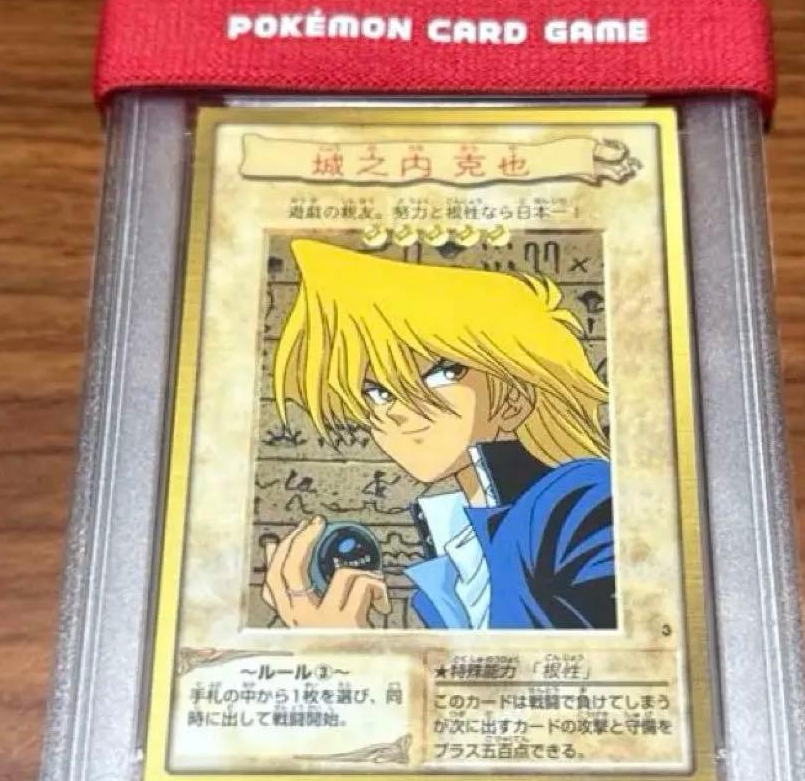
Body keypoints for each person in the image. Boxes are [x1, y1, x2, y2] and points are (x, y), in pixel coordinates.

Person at [261, 238, 616, 630]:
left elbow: (573, 661)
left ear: (515, 398)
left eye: (442, 373)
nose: (396, 410)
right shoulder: (461, 550)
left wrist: (345, 645)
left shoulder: (580, 502)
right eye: (376, 392)